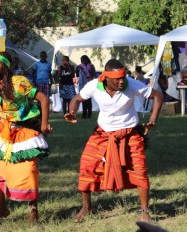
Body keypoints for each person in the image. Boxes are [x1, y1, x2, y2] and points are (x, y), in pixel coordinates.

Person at [65, 59, 163, 223]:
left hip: (130, 133)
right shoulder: (94, 85)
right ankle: (86, 207)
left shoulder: (131, 84)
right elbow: (76, 99)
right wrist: (72, 112)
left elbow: (157, 96)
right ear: (106, 78)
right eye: (117, 78)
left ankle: (145, 211)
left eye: (123, 77)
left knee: (139, 169)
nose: (122, 81)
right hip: (103, 133)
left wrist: (152, 120)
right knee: (87, 166)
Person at [0, 52, 52, 223]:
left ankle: (33, 211)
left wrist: (44, 125)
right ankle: (3, 210)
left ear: (6, 67)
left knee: (28, 170)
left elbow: (43, 99)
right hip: (2, 129)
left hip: (24, 129)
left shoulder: (18, 83)